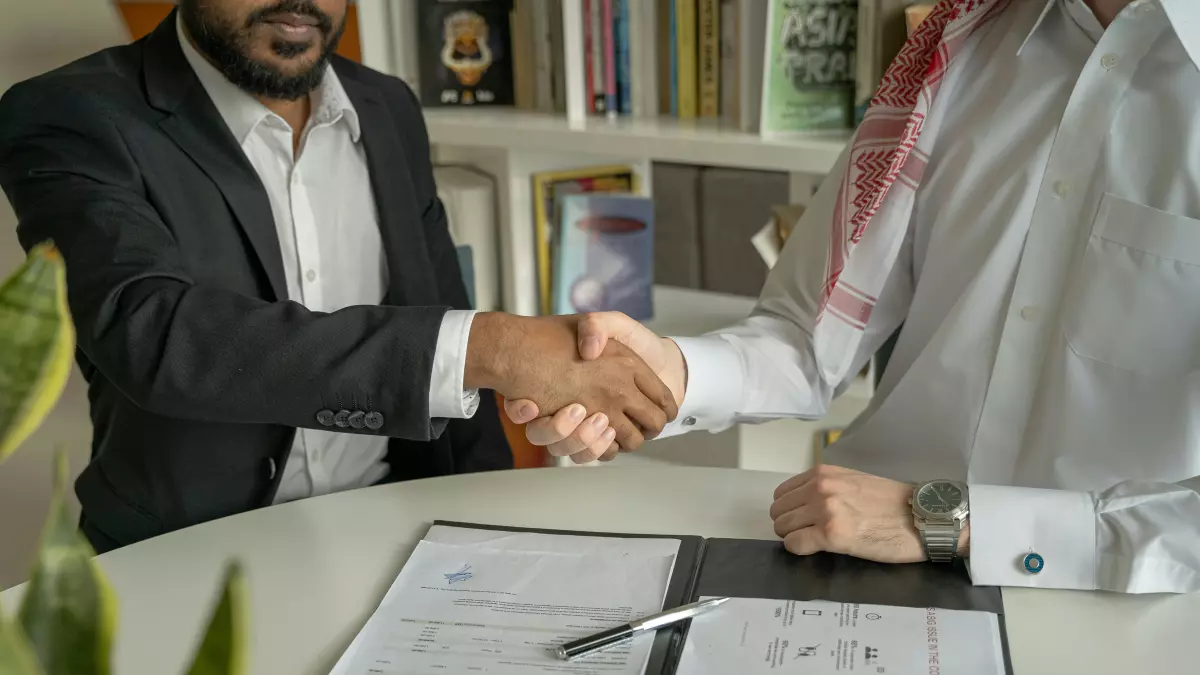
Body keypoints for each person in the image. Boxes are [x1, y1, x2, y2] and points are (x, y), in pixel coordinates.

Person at [509, 0, 1200, 594]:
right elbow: (807, 339)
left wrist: (953, 523)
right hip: (860, 569)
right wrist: (666, 375)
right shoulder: (957, 47)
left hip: (1117, 608)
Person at [0, 0, 676, 553]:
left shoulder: (389, 108)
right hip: (183, 558)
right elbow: (155, 333)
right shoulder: (69, 115)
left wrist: (495, 535)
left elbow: (443, 307)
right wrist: (495, 348)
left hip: (400, 534)